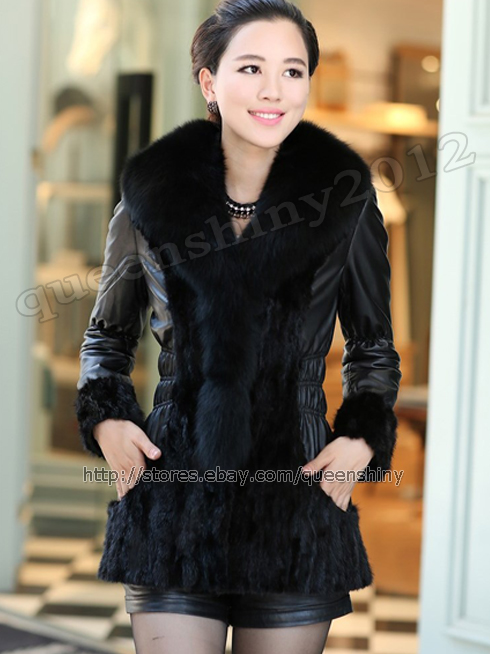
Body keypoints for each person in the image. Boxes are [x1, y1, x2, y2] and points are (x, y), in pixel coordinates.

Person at [74, 1, 402, 652]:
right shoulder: (149, 196)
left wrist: (362, 437)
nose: (274, 90)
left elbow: (372, 345)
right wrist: (107, 419)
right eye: (251, 68)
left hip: (296, 498)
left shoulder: (345, 198)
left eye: (293, 71)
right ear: (209, 82)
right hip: (172, 496)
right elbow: (106, 337)